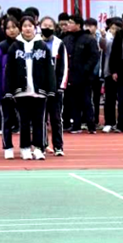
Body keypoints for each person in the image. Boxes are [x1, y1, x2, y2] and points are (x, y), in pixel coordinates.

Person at [5, 16, 55, 160]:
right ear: (21, 28)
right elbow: (9, 71)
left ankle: (38, 148)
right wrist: (9, 90)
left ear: (35, 27)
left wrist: (51, 89)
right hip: (22, 92)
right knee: (25, 122)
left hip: (39, 91)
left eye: (30, 25)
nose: (27, 28)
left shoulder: (42, 46)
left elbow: (49, 69)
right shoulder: (15, 47)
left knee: (39, 121)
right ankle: (25, 148)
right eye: (25, 26)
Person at [63, 14, 99, 134]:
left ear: (78, 25)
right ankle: (76, 125)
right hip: (71, 75)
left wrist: (86, 69)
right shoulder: (66, 39)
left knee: (86, 101)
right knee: (73, 101)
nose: (68, 25)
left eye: (71, 22)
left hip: (85, 76)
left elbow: (94, 56)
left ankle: (91, 125)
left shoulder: (88, 39)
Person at [0, 17, 20, 158]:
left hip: (23, 90)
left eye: (14, 27)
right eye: (8, 28)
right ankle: (7, 147)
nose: (11, 30)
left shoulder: (24, 46)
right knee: (6, 119)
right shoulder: (0, 47)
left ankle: (26, 146)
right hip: (5, 90)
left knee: (24, 120)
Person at [39, 16, 68, 155]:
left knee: (56, 118)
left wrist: (60, 86)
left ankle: (58, 146)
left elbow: (64, 66)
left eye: (50, 26)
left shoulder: (59, 44)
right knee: (41, 118)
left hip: (55, 89)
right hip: (39, 89)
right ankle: (42, 145)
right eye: (45, 25)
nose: (47, 28)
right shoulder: (35, 42)